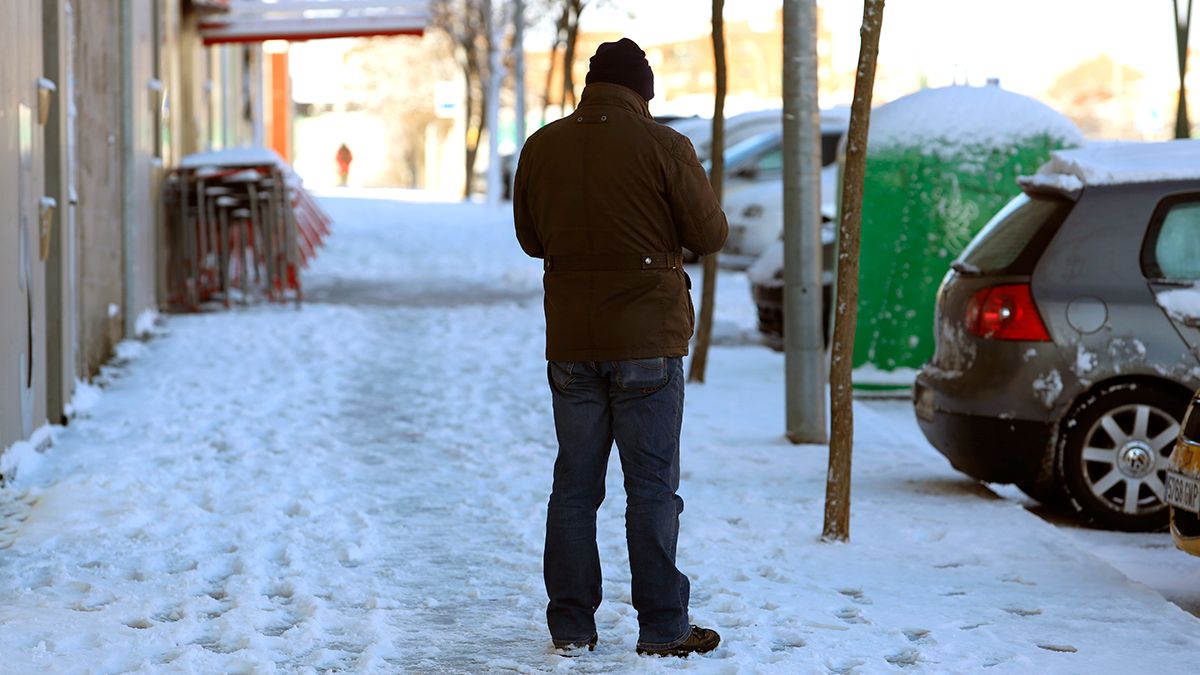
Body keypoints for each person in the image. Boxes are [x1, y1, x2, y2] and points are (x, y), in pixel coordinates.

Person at [512, 37, 728, 658]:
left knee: (575, 488)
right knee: (652, 488)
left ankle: (572, 625)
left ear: (590, 86)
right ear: (643, 91)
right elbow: (710, 234)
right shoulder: (666, 147)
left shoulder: (542, 145)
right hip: (648, 347)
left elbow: (531, 238)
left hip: (573, 345)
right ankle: (663, 627)